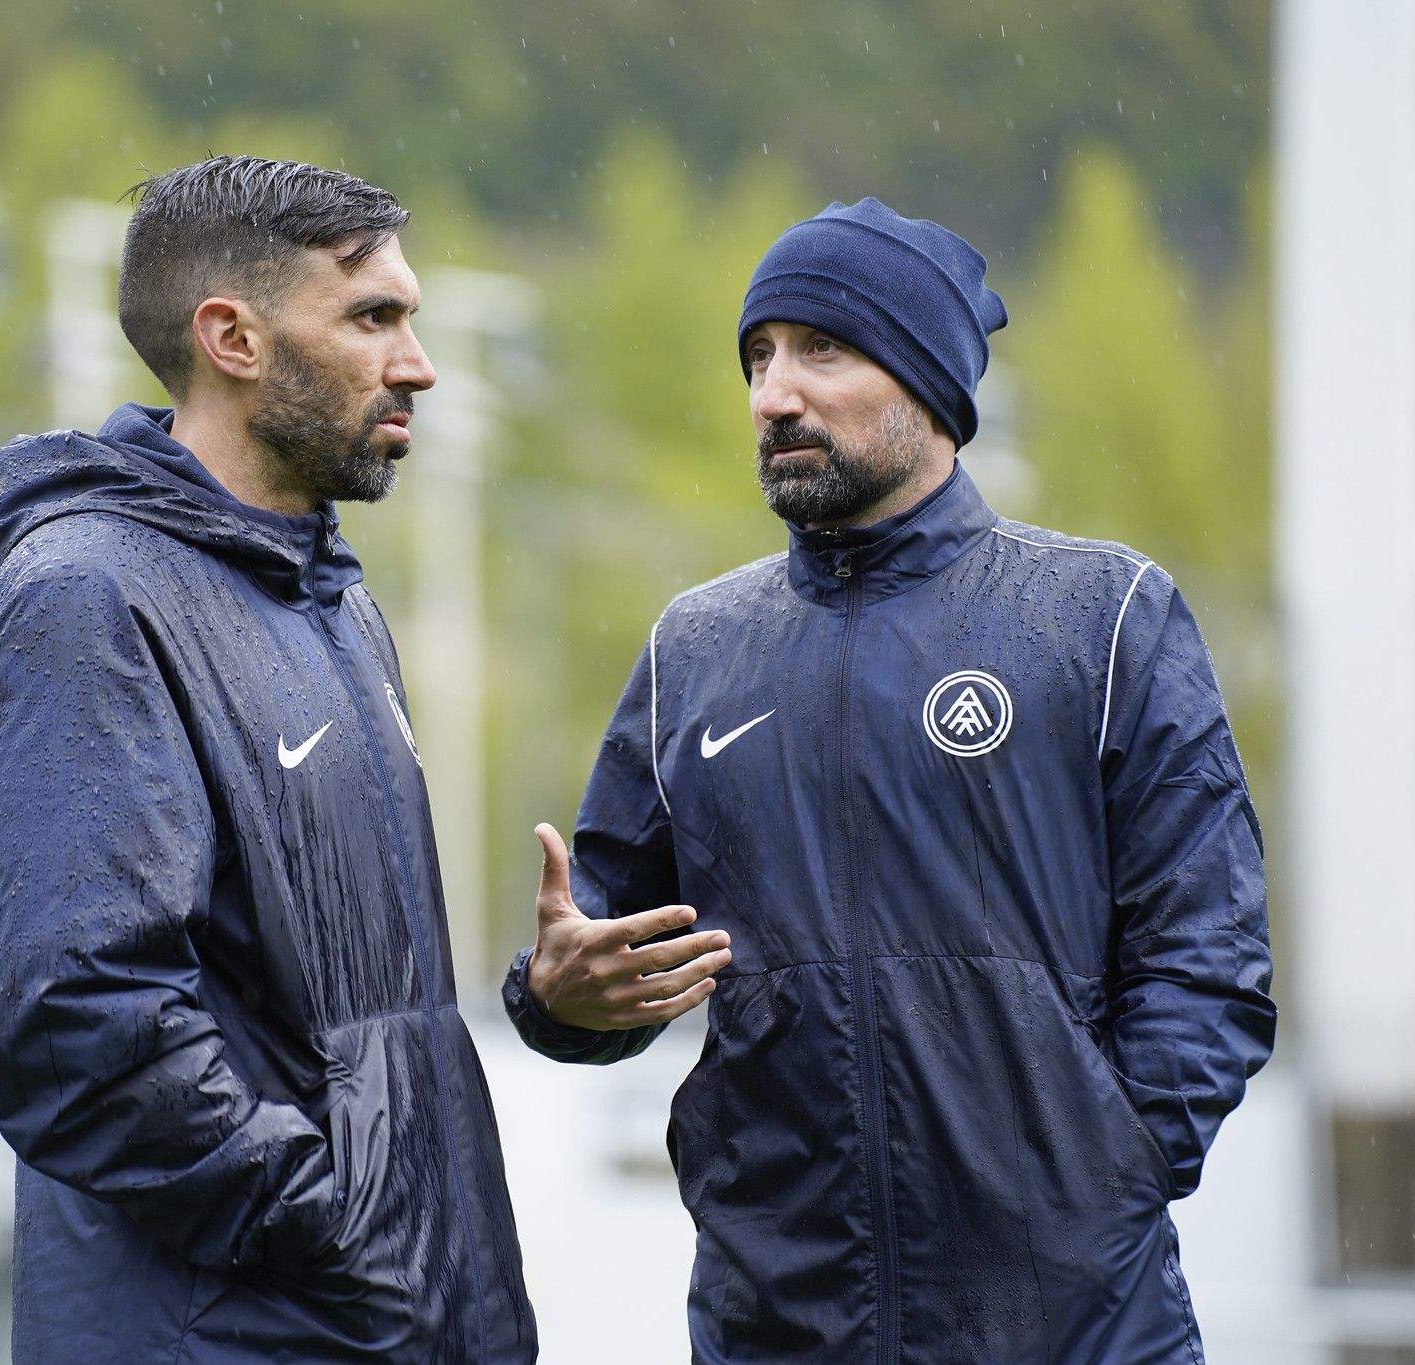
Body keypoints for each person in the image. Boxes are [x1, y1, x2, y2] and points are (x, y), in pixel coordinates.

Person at [507, 198, 1275, 1362]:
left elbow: (1206, 958)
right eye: (757, 358)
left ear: (929, 385)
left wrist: (1102, 1179)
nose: (774, 394)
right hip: (774, 1325)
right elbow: (603, 961)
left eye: (822, 348)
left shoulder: (1101, 620)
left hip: (1073, 1330)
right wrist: (554, 998)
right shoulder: (693, 651)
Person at [0, 156, 535, 1362]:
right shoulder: (89, 594)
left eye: (411, 320)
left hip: (386, 1321)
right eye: (372, 318)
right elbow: (83, 1031)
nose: (416, 363)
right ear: (230, 337)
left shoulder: (326, 594)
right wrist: (336, 1230)